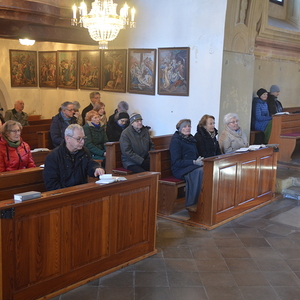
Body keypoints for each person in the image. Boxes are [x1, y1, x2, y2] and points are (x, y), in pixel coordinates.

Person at [43, 124, 104, 191]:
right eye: (78, 139)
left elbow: (90, 165)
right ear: (67, 138)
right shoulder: (53, 157)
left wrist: (97, 169)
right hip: (63, 194)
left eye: (83, 138)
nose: (82, 142)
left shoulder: (84, 152)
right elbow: (51, 184)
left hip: (81, 191)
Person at [169, 119, 204, 211]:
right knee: (200, 171)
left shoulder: (191, 139)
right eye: (185, 126)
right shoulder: (176, 141)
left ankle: (204, 200)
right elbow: (176, 162)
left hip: (191, 166)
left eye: (189, 126)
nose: (187, 128)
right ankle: (192, 204)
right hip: (180, 169)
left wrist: (200, 159)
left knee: (207, 169)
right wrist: (193, 162)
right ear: (180, 129)